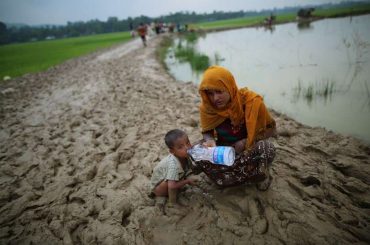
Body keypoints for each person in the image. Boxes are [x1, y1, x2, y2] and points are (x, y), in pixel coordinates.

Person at [195, 66, 277, 190]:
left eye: (219, 92)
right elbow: (207, 131)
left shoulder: (251, 102)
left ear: (230, 87)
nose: (215, 98)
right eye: (210, 93)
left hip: (248, 150)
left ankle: (253, 175)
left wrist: (245, 142)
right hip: (224, 152)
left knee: (267, 148)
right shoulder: (207, 108)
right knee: (196, 149)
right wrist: (210, 140)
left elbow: (270, 130)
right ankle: (239, 175)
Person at [150, 129, 197, 208]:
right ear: (172, 151)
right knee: (172, 184)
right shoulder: (173, 165)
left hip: (169, 180)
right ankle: (172, 203)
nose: (187, 148)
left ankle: (178, 182)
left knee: (175, 178)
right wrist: (187, 181)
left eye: (188, 142)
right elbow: (171, 186)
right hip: (159, 188)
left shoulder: (184, 155)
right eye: (180, 147)